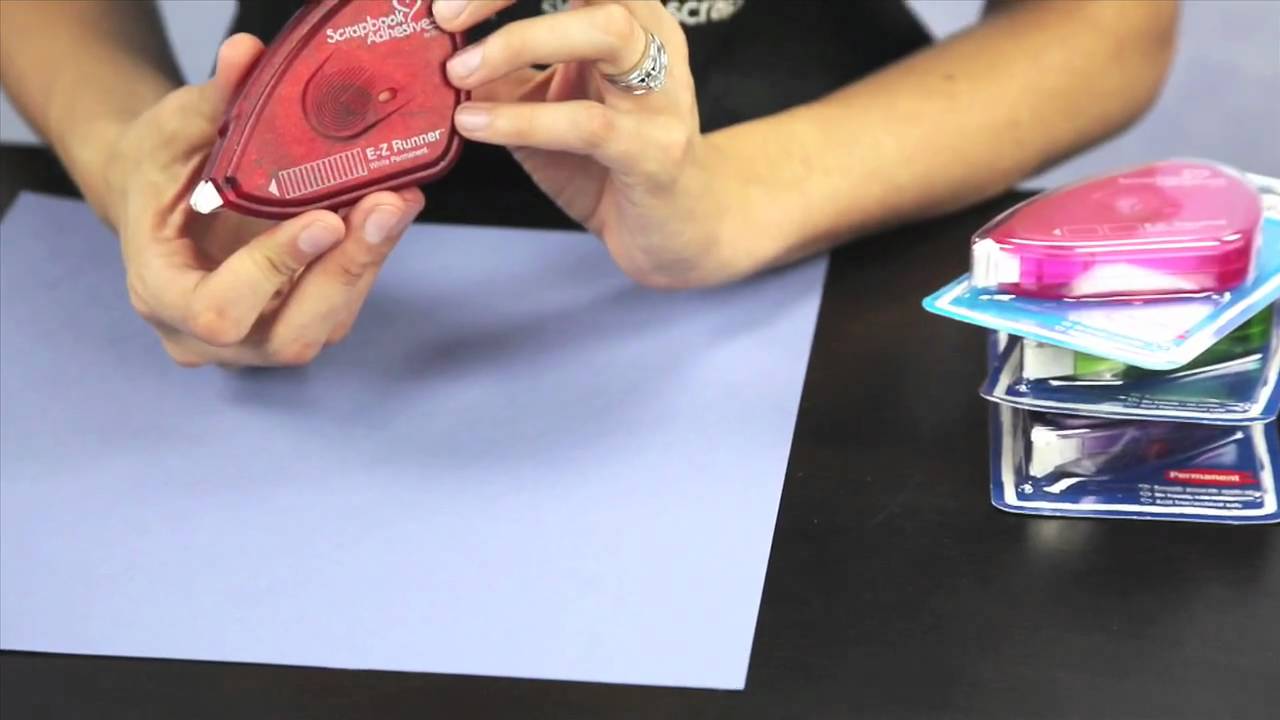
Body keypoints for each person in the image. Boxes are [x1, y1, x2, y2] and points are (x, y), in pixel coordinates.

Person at [0, 0, 1178, 368]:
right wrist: (132, 155)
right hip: (281, 213)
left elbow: (1104, 24)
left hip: (837, 229)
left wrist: (734, 196)